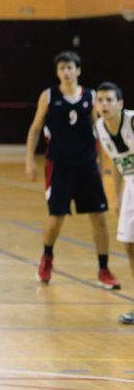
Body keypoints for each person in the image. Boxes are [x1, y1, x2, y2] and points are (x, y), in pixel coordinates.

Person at [24, 51, 120, 289]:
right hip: (59, 165)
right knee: (56, 219)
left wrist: (102, 164)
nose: (66, 72)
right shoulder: (48, 97)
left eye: (70, 67)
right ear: (57, 73)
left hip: (87, 165)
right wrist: (29, 160)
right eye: (62, 68)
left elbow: (99, 131)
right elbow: (35, 129)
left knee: (99, 218)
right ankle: (47, 257)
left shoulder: (92, 97)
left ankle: (104, 269)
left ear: (78, 70)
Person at [94, 82, 134, 323]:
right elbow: (118, 164)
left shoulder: (131, 122)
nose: (104, 104)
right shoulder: (100, 127)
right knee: (129, 245)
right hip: (130, 184)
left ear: (120, 104)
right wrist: (117, 197)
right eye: (100, 100)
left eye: (109, 100)